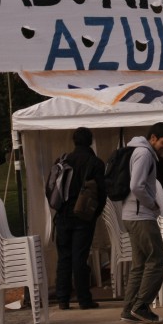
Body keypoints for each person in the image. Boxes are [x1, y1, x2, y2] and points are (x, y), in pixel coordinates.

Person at [120, 121, 163, 324]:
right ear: (153, 138)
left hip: (131, 215)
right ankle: (141, 307)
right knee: (159, 260)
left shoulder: (136, 151)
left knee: (140, 264)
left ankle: (128, 309)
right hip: (140, 216)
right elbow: (136, 185)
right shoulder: (144, 154)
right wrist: (151, 204)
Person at [54, 127, 106, 311]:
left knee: (64, 257)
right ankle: (84, 298)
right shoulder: (96, 163)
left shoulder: (62, 160)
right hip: (83, 216)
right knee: (80, 257)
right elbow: (102, 193)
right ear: (91, 141)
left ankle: (63, 298)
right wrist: (94, 214)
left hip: (62, 215)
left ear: (74, 141)